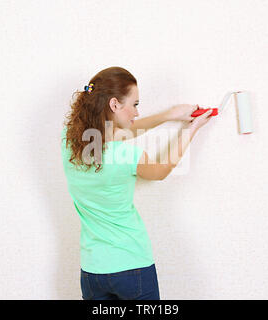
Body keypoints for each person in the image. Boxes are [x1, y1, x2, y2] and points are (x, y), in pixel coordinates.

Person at [60, 66, 214, 300]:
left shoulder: (69, 143)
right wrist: (191, 130)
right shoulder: (125, 155)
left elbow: (117, 134)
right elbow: (161, 171)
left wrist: (170, 115)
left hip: (92, 272)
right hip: (131, 267)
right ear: (114, 104)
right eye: (135, 104)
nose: (137, 113)